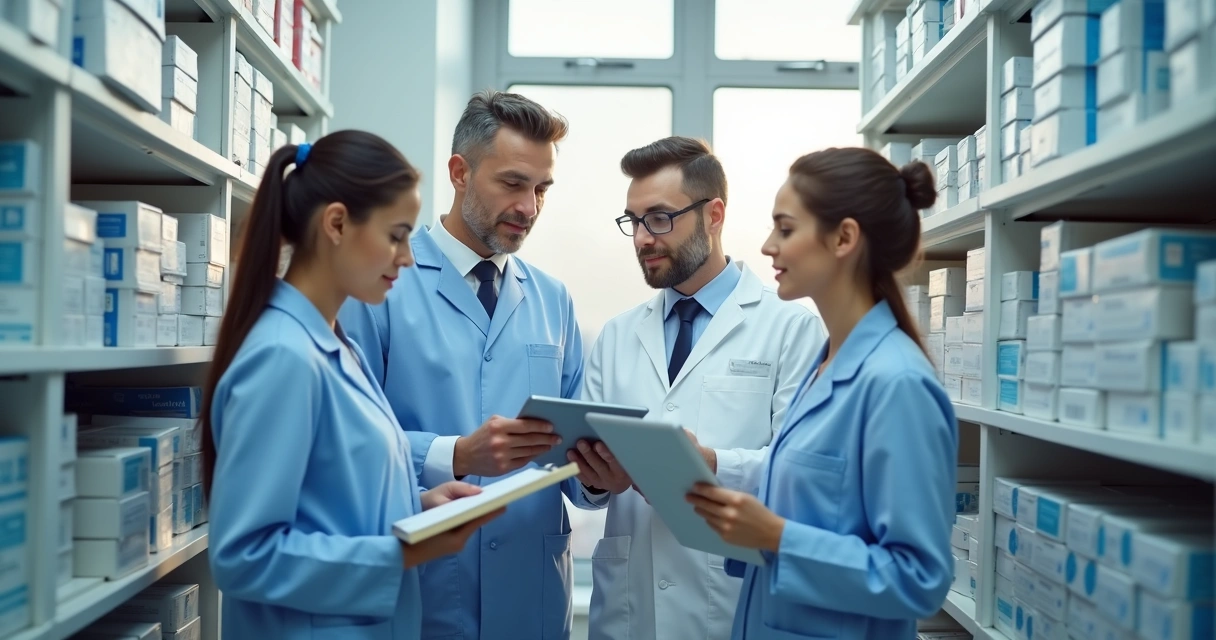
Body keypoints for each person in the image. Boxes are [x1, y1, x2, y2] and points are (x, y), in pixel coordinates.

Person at [203, 130, 501, 640]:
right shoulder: (282, 357)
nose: (406, 258)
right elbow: (243, 557)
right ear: (337, 223)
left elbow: (330, 503)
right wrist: (401, 550)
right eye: (396, 235)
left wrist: (417, 511)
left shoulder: (338, 345)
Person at [338, 90, 605, 640]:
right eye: (512, 183)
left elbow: (574, 471)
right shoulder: (380, 287)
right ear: (460, 172)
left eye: (541, 189)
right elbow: (345, 444)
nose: (529, 207)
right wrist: (454, 455)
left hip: (531, 602)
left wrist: (600, 476)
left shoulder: (554, 300)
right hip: (425, 594)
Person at [685, 147, 958, 639]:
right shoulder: (825, 361)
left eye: (786, 229)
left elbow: (920, 580)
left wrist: (776, 537)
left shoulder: (897, 384)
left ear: (844, 238)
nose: (769, 246)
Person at [568, 136, 825, 640]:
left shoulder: (791, 330)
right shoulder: (618, 335)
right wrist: (596, 478)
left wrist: (711, 464)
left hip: (728, 605)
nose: (643, 237)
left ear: (714, 214)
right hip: (628, 611)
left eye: (660, 218)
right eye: (634, 221)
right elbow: (584, 491)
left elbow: (803, 476)